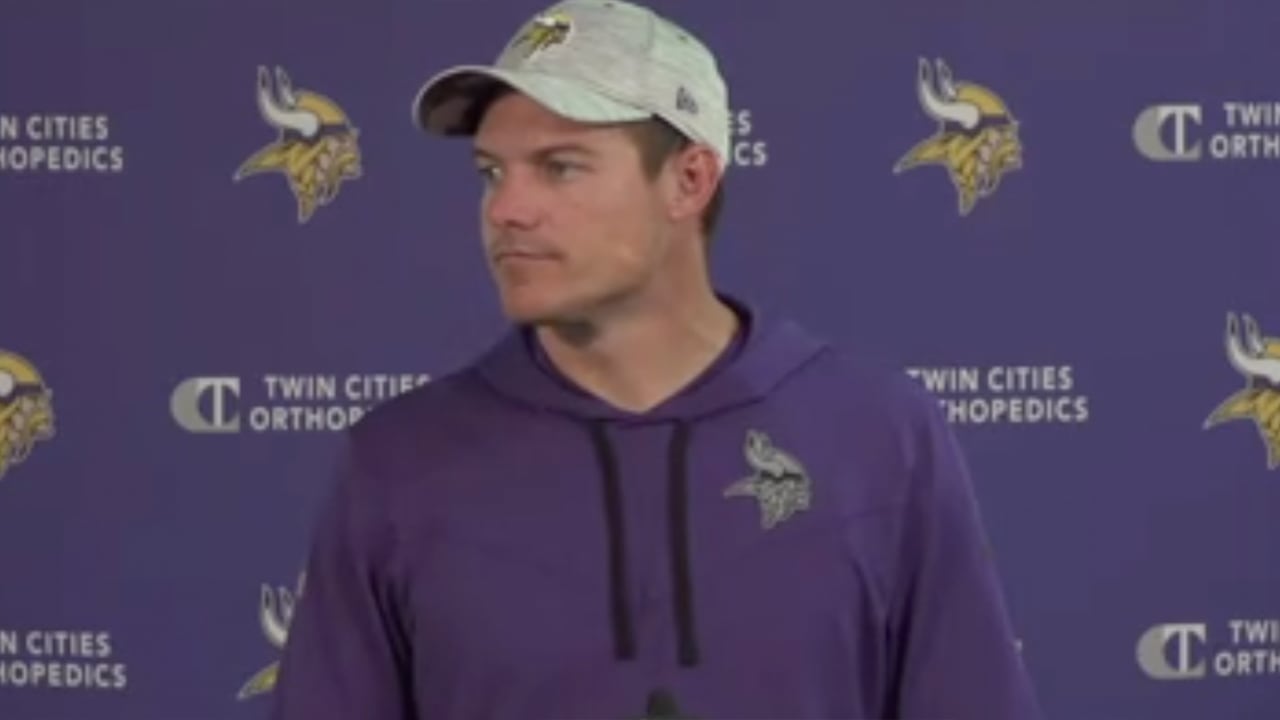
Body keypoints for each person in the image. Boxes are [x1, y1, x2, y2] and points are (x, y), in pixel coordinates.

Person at [268, 1, 1045, 718]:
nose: (506, 208)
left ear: (690, 179)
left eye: (561, 166)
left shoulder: (881, 435)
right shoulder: (398, 462)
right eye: (491, 172)